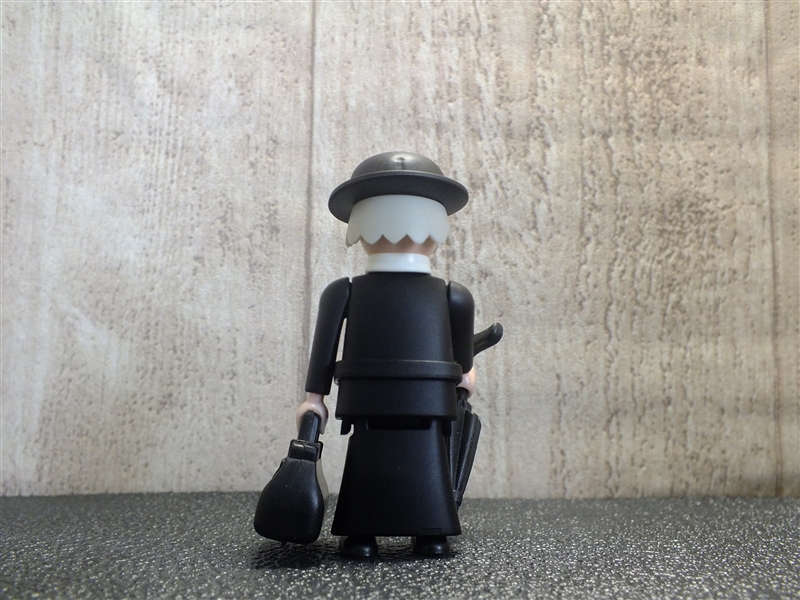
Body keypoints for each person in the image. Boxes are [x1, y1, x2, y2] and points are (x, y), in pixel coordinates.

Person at [296, 152, 476, 558]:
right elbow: (465, 367)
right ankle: (415, 533)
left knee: (405, 461)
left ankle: (392, 533)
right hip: (408, 400)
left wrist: (314, 399)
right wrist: (314, 398)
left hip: (389, 400)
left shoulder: (447, 296)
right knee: (392, 462)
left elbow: (463, 360)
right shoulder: (451, 296)